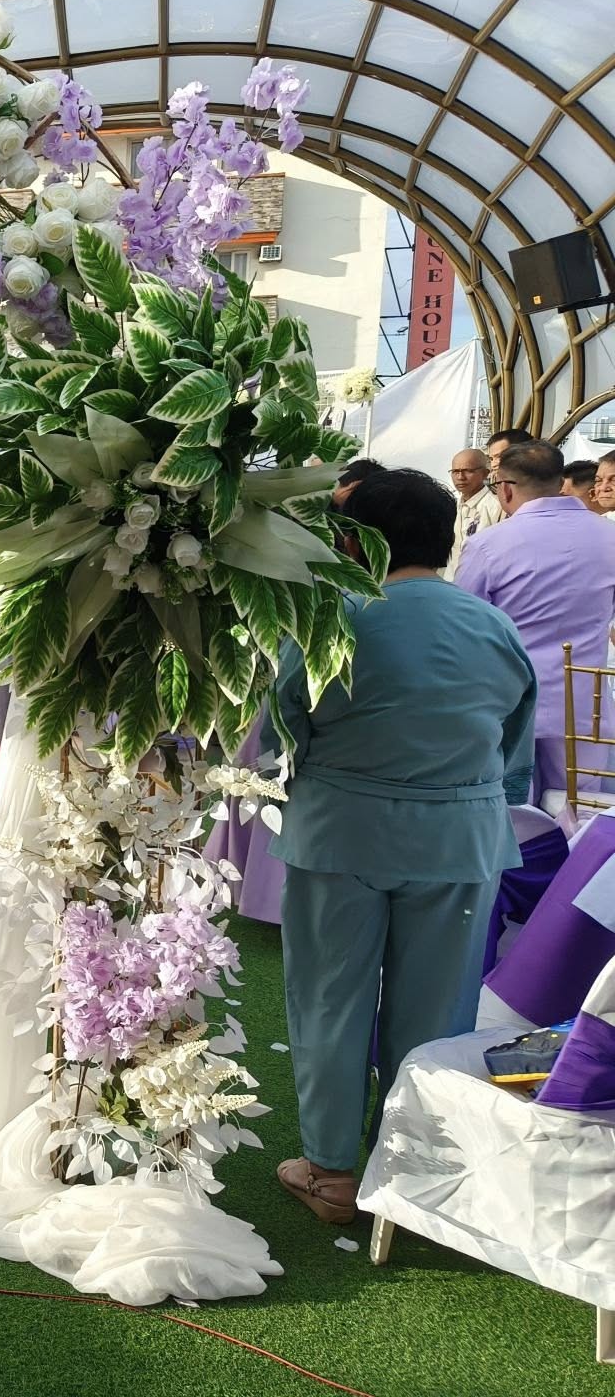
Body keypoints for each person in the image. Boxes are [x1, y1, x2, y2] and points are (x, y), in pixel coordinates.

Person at [266, 467, 536, 1224]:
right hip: (460, 838)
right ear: (449, 539)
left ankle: (330, 1173)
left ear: (357, 540)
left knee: (329, 1000)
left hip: (341, 832)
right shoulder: (492, 626)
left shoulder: (334, 617)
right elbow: (511, 749)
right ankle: (412, 1168)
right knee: (438, 1012)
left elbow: (284, 732)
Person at [457, 439, 615, 801]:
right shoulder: (609, 536)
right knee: (580, 810)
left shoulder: (489, 544)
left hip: (510, 696)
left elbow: (466, 623)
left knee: (513, 814)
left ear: (506, 488)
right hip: (583, 699)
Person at [445, 447, 503, 579]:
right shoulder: (454, 504)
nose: (461, 477)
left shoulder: (496, 506)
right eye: (455, 471)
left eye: (468, 471)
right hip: (452, 582)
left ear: (485, 473)